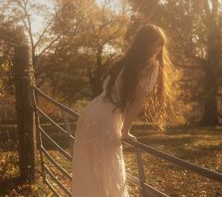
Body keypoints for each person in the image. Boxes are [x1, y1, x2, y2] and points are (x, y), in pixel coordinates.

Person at [72, 23, 169, 197]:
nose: (157, 48)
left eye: (160, 44)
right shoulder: (150, 66)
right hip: (107, 118)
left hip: (91, 111)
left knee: (91, 170)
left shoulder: (123, 62)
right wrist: (125, 131)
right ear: (143, 43)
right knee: (108, 171)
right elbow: (138, 102)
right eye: (153, 43)